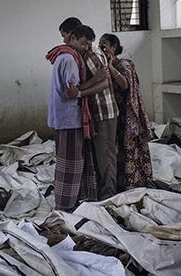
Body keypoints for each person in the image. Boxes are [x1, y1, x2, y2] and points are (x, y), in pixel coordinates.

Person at [46, 25, 107, 211]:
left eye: (88, 45)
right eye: (82, 43)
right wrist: (96, 80)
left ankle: (72, 200)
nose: (85, 48)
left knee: (71, 159)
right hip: (69, 118)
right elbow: (71, 92)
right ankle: (65, 205)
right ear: (72, 38)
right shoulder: (70, 59)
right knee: (70, 163)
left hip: (66, 118)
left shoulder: (65, 56)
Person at [99, 33, 153, 191]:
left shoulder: (124, 64)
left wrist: (110, 66)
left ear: (113, 47)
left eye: (104, 46)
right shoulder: (103, 64)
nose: (101, 49)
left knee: (130, 148)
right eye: (99, 46)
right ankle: (119, 182)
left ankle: (134, 182)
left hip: (128, 113)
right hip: (115, 113)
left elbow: (125, 85)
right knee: (116, 149)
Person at [84, 35, 119, 201]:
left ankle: (108, 194)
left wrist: (79, 91)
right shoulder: (95, 55)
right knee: (105, 153)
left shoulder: (91, 56)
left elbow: (103, 82)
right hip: (104, 111)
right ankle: (106, 191)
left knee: (105, 155)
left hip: (104, 111)